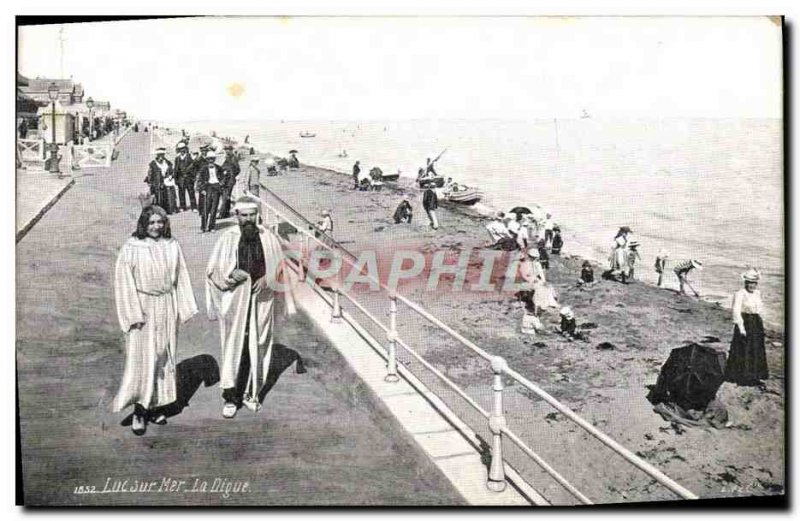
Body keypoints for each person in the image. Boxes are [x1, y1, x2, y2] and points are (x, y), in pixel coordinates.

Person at [206, 196, 298, 418]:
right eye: (244, 215)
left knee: (258, 344)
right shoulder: (227, 239)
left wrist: (268, 278)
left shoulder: (269, 238)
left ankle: (252, 393)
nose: (248, 220)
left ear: (257, 215)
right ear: (236, 216)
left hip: (261, 300)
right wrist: (230, 275)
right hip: (235, 302)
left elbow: (281, 269)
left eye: (252, 215)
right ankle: (230, 397)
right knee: (234, 345)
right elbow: (212, 272)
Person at [113, 205, 198, 435]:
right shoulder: (132, 247)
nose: (156, 227)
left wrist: (183, 307)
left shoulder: (172, 245)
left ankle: (157, 404)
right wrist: (133, 314)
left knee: (164, 357)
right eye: (151, 223)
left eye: (160, 222)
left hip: (166, 305)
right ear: (143, 224)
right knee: (143, 359)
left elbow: (181, 276)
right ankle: (140, 411)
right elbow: (123, 282)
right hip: (143, 307)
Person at [724, 268, 768, 387]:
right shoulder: (740, 294)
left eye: (754, 283)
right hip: (745, 322)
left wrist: (763, 324)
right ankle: (742, 377)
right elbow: (736, 311)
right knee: (744, 349)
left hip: (756, 323)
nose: (751, 285)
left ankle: (755, 376)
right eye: (749, 282)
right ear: (745, 282)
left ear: (756, 283)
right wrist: (741, 328)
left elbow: (760, 310)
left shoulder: (758, 293)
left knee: (756, 349)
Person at [196, 150, 223, 233]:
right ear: (207, 160)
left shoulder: (218, 168)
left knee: (214, 208)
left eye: (212, 159)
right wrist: (202, 189)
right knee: (205, 208)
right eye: (209, 159)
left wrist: (221, 183)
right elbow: (200, 180)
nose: (211, 161)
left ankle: (212, 226)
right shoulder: (203, 169)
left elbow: (223, 177)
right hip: (208, 188)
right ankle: (203, 227)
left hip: (216, 188)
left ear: (214, 160)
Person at [218, 145, 241, 219]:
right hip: (227, 180)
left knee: (225, 197)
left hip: (229, 181)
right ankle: (226, 213)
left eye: (228, 149)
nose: (226, 151)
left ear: (231, 150)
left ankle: (222, 214)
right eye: (225, 149)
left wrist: (231, 175)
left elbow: (238, 169)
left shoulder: (233, 158)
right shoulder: (228, 158)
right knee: (227, 197)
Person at [174, 142, 196, 212]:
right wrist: (176, 179)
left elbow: (194, 168)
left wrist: (193, 177)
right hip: (180, 178)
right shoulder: (177, 158)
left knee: (191, 192)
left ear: (186, 149)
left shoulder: (190, 157)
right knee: (181, 193)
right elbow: (175, 169)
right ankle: (182, 206)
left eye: (183, 149)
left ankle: (194, 207)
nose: (182, 150)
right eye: (180, 149)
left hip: (188, 178)